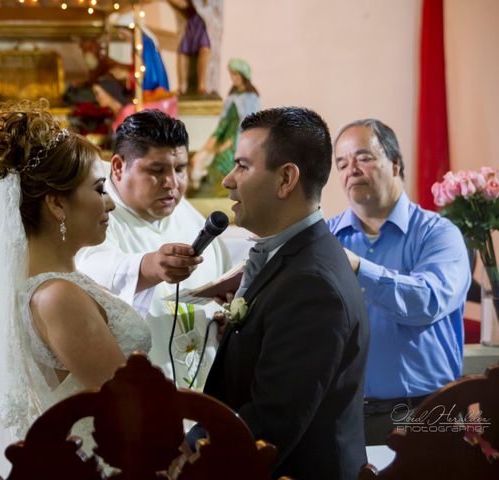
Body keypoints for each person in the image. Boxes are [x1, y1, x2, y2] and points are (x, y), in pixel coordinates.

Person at [0, 99, 151, 478]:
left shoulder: (52, 287)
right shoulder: (58, 297)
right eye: (99, 189)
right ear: (56, 205)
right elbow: (128, 408)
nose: (110, 205)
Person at [194, 107, 370, 479]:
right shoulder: (295, 257)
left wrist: (188, 456)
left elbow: (272, 422)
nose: (227, 180)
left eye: (242, 166)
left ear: (286, 179)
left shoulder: (312, 284)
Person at [327, 119, 470, 445]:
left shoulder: (439, 234)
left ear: (395, 164)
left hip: (426, 413)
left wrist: (359, 268)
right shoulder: (325, 238)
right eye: (342, 163)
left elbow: (429, 301)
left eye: (363, 157)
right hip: (343, 416)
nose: (352, 170)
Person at [76, 109, 231, 389]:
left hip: (202, 394)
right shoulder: (95, 214)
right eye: (156, 170)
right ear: (119, 166)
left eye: (180, 169)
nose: (172, 182)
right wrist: (151, 266)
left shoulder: (190, 216)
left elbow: (221, 289)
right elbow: (89, 271)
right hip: (135, 397)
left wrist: (225, 321)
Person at [190, 58, 260, 197]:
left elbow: (247, 124)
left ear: (243, 76)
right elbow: (224, 123)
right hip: (226, 137)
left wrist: (230, 142)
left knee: (224, 159)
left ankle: (225, 191)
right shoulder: (232, 97)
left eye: (236, 75)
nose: (233, 78)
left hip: (240, 140)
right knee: (206, 156)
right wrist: (213, 139)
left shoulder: (251, 98)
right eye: (231, 75)